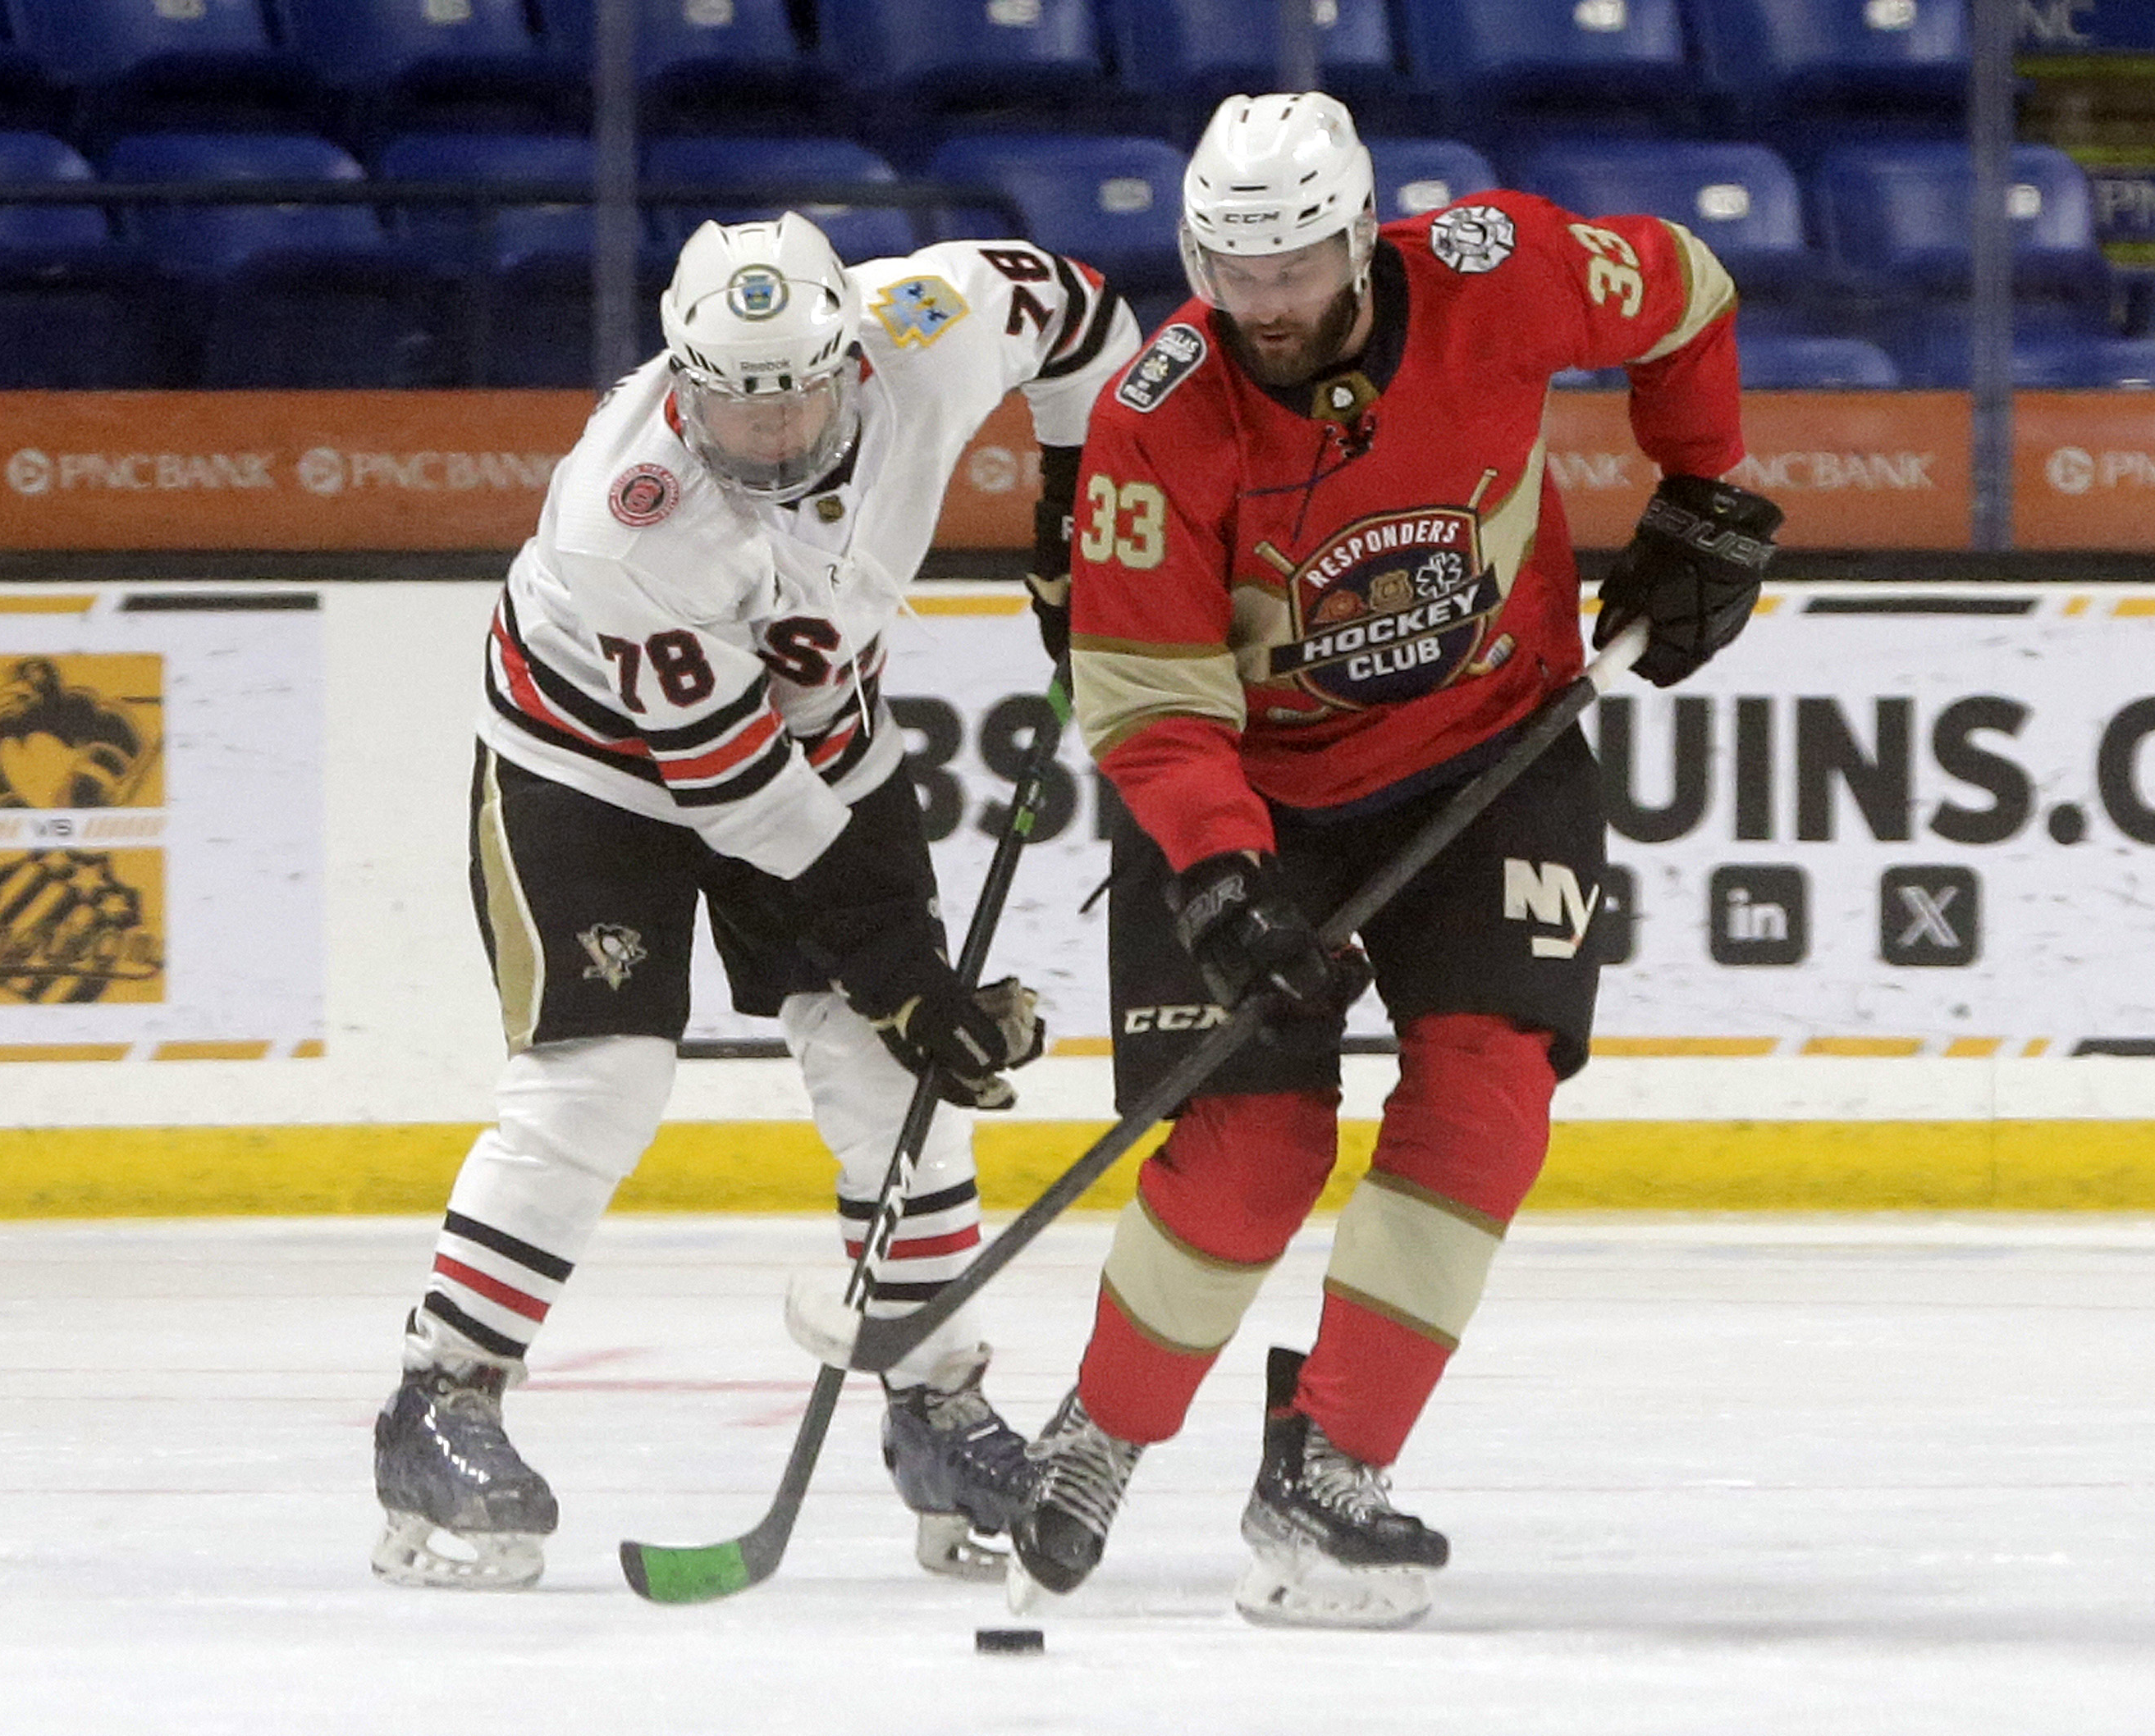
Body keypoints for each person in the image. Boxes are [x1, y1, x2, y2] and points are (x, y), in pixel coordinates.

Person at [1009, 93, 1782, 1628]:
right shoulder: (1157, 416)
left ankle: (1331, 1466)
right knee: (1251, 1162)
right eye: (1234, 272)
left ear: (1361, 235)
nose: (1267, 305)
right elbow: (1151, 704)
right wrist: (1226, 879)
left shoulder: (1502, 270)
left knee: (1487, 1099)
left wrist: (1702, 488)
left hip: (1494, 755)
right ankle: (1100, 1429)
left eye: (1296, 265)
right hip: (1249, 792)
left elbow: (1688, 285)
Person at [372, 212, 1139, 1589]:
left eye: (798, 391)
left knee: (881, 1079)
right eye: (735, 401)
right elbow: (753, 806)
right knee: (599, 1076)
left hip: (819, 718)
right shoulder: (629, 521)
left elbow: (1087, 322)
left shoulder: (929, 326)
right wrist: (912, 974)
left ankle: (937, 1405)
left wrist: (1080, 512)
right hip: (590, 765)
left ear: (854, 350)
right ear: (681, 379)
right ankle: (443, 1400)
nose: (773, 430)